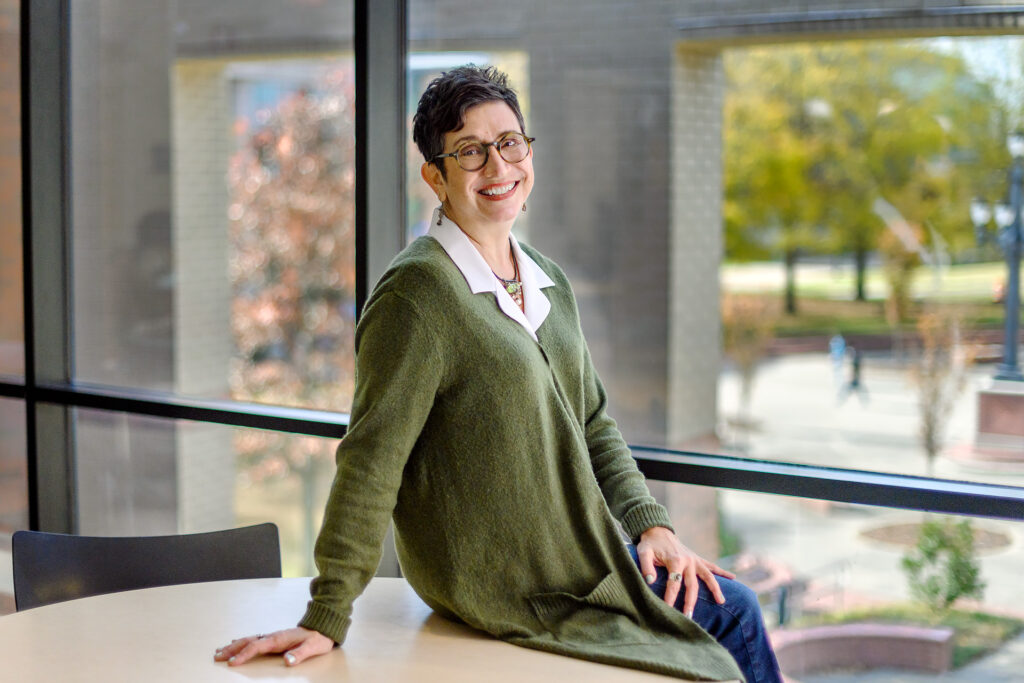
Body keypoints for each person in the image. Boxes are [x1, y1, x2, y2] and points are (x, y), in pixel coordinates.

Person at [215, 65, 782, 682]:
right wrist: (327, 613)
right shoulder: (419, 295)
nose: (499, 167)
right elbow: (372, 462)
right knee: (737, 617)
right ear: (435, 175)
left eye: (510, 142)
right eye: (470, 152)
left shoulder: (544, 278)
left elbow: (593, 422)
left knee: (732, 604)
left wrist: (651, 524)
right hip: (509, 581)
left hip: (578, 553)